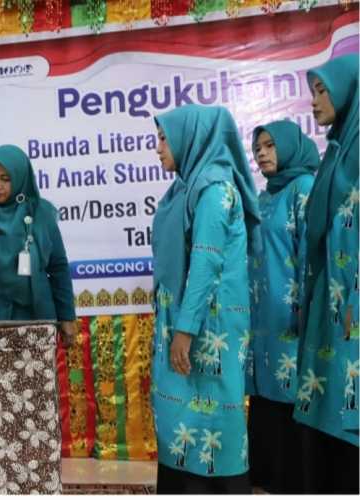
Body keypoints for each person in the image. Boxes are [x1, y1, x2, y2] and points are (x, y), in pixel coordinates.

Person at [150, 104, 261, 494]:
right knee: (180, 416)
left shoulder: (214, 189)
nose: (158, 147)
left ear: (189, 137)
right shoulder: (186, 186)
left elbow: (205, 263)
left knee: (213, 419)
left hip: (207, 328)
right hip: (187, 322)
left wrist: (185, 329)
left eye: (164, 138)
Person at [294, 54, 359, 494]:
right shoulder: (338, 149)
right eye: (313, 91)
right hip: (330, 303)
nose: (315, 102)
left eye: (323, 90)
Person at [246, 119, 318, 493]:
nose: (262, 153)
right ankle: (268, 482)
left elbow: (309, 255)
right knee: (264, 399)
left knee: (289, 398)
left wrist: (306, 313)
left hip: (291, 320)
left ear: (289, 145)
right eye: (258, 147)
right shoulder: (264, 197)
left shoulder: (302, 188)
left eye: (271, 145)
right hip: (261, 322)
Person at [0, 144, 77, 347]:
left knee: (36, 378)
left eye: (6, 179)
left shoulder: (40, 213)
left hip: (37, 317)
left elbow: (58, 267)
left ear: (20, 179)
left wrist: (67, 316)